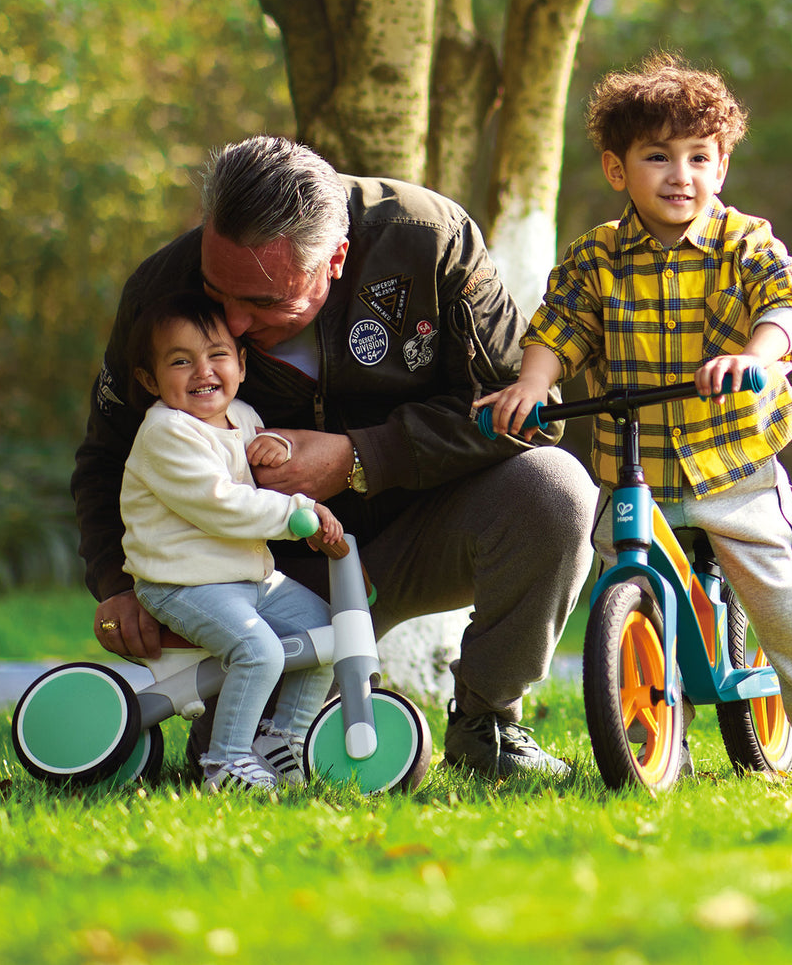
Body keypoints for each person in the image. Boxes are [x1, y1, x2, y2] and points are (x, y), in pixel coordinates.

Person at [73, 136, 597, 780]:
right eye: (218, 292)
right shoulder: (159, 291)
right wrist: (115, 584)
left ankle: (488, 722)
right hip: (273, 573)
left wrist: (362, 455)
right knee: (251, 756)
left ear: (337, 259)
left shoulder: (428, 240)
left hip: (427, 528)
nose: (232, 325)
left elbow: (525, 410)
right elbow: (106, 456)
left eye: (265, 303)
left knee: (556, 488)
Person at [476, 51, 792, 786]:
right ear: (617, 169)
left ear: (721, 168)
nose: (680, 175)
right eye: (657, 157)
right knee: (615, 580)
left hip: (734, 465)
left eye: (699, 157)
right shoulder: (596, 258)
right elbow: (559, 328)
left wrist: (758, 354)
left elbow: (786, 301)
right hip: (638, 471)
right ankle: (656, 734)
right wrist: (532, 384)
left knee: (783, 592)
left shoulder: (743, 242)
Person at [121, 291, 340, 794]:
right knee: (259, 651)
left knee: (326, 630)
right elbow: (222, 504)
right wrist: (296, 514)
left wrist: (277, 446)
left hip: (246, 577)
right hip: (181, 582)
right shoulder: (166, 434)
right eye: (181, 361)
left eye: (217, 355)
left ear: (240, 363)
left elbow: (253, 458)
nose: (203, 371)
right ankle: (226, 763)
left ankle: (283, 740)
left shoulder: (240, 416)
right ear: (150, 380)